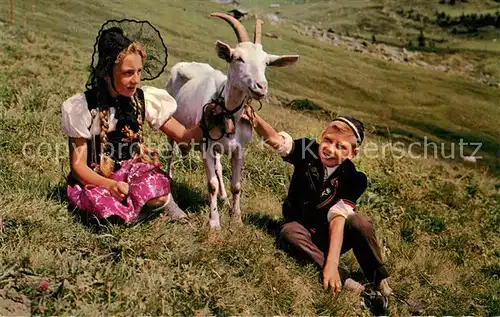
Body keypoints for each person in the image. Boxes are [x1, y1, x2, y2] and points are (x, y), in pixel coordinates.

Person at [244, 110, 393, 310]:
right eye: (328, 140)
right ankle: (350, 283)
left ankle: (380, 282)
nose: (330, 149)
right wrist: (254, 118)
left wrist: (331, 261)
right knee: (289, 232)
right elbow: (276, 140)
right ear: (322, 135)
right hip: (301, 229)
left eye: (341, 146)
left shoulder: (355, 179)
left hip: (331, 235)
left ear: (352, 153)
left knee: (360, 223)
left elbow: (338, 220)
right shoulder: (307, 150)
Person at [61, 20, 202, 223]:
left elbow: (183, 136)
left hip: (133, 173)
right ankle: (137, 212)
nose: (136, 79)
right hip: (96, 179)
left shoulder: (143, 99)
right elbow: (78, 167)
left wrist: (210, 120)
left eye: (139, 71)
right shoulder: (83, 107)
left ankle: (153, 205)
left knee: (157, 190)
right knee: (100, 206)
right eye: (128, 73)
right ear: (107, 73)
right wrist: (109, 185)